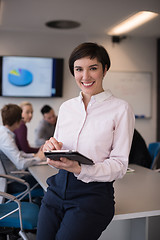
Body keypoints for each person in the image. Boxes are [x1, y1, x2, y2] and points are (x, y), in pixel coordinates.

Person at [36, 42, 135, 240]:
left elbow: (119, 165)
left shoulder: (120, 109)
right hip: (55, 191)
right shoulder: (66, 108)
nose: (85, 76)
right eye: (79, 69)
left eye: (93, 68)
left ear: (105, 70)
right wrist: (52, 151)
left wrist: (80, 169)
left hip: (92, 197)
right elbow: (61, 155)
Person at [0, 104, 45, 193]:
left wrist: (34, 155)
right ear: (18, 120)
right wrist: (38, 158)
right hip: (12, 183)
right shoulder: (6, 138)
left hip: (12, 178)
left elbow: (17, 153)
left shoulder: (4, 133)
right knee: (47, 181)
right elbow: (20, 163)